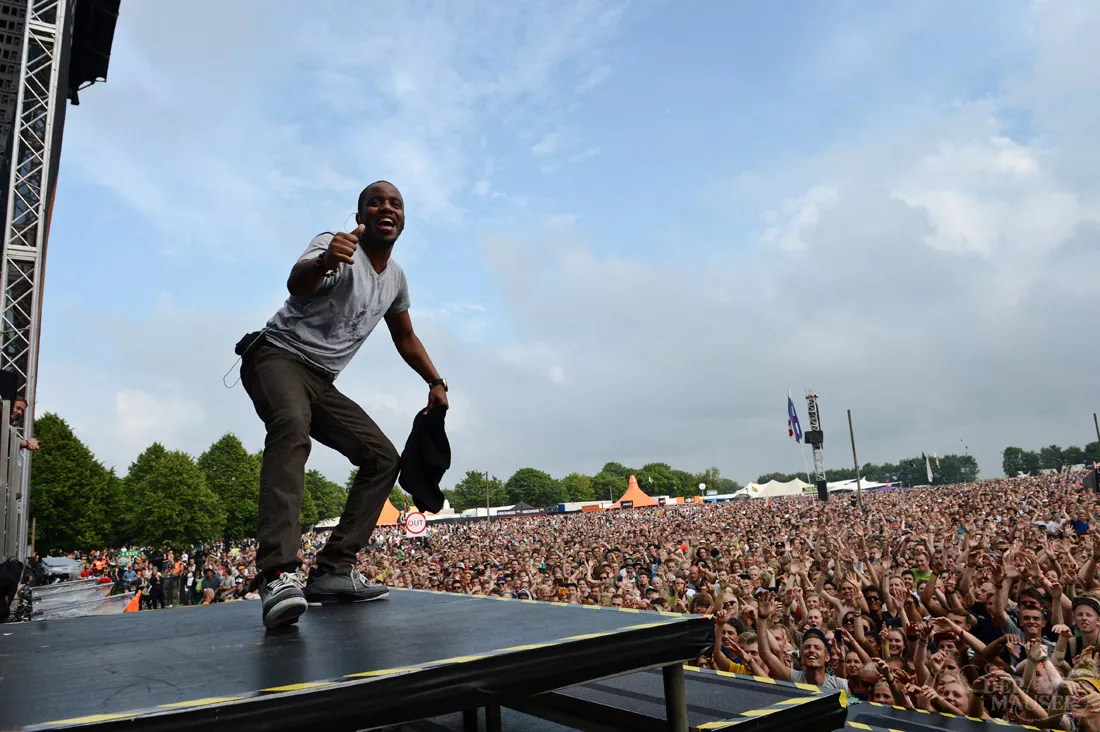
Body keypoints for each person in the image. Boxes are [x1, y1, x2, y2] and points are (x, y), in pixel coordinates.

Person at [240, 180, 448, 629]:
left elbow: (405, 336)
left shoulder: (395, 278)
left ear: (403, 219)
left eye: (395, 203)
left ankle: (333, 572)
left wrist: (435, 381)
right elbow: (298, 283)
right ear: (361, 213)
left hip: (321, 380)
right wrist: (326, 260)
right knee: (291, 426)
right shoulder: (336, 245)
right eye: (376, 202)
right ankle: (277, 573)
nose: (386, 208)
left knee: (382, 458)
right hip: (276, 355)